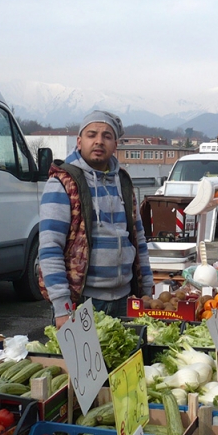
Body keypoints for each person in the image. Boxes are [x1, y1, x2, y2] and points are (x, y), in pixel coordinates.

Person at [39, 110, 154, 325]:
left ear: (115, 145)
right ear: (79, 141)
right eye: (92, 135)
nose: (99, 141)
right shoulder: (62, 184)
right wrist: (62, 306)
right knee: (84, 360)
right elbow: (50, 247)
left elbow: (139, 241)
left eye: (107, 136)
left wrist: (146, 292)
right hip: (82, 301)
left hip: (125, 299)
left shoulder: (124, 183)